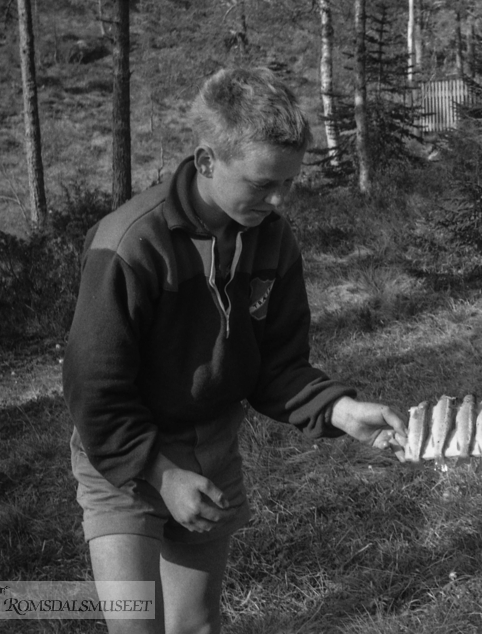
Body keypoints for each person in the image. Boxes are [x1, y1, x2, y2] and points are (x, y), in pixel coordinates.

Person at [63, 67, 407, 634]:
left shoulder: (272, 237)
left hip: (212, 450)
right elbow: (94, 392)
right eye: (261, 183)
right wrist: (163, 473)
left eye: (288, 183)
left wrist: (342, 412)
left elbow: (276, 364)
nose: (277, 199)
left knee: (196, 625)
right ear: (206, 161)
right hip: (122, 458)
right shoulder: (130, 245)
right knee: (135, 626)